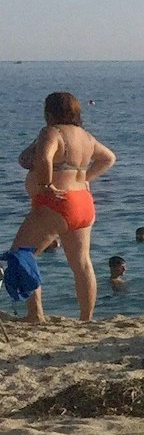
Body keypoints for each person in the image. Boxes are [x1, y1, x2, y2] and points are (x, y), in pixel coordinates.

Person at [10, 92, 116, 322]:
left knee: (21, 254)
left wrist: (46, 184)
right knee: (82, 264)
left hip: (56, 203)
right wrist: (85, 177)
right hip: (83, 202)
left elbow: (46, 158)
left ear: (49, 113)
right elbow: (108, 158)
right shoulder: (86, 137)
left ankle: (35, 314)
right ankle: (86, 318)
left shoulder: (52, 132)